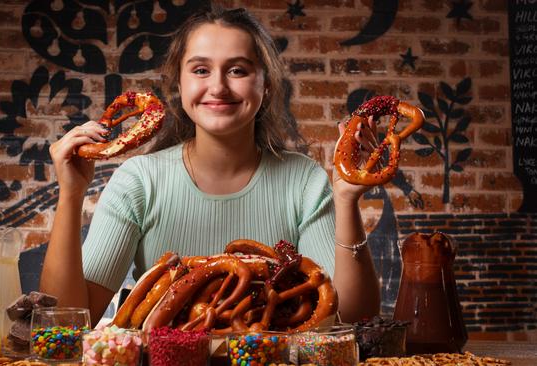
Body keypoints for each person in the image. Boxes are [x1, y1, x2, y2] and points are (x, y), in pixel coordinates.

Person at [40, 5, 381, 324]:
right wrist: (70, 193)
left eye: (238, 70)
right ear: (179, 82)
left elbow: (352, 319)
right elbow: (66, 320)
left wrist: (348, 199)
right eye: (201, 70)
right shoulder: (139, 181)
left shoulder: (303, 180)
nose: (217, 87)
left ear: (267, 84)